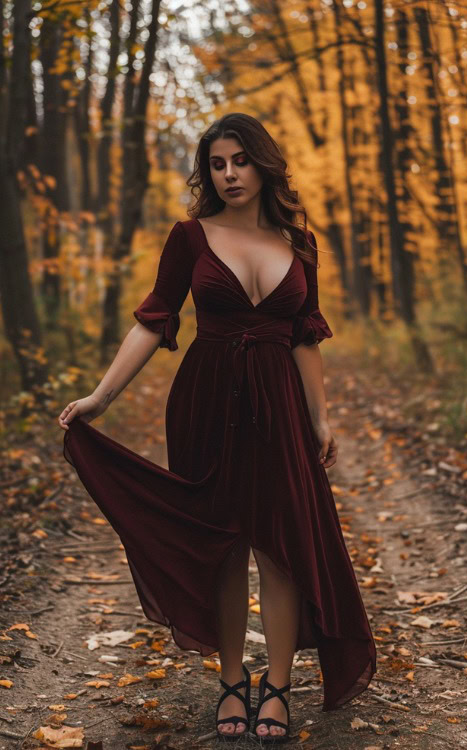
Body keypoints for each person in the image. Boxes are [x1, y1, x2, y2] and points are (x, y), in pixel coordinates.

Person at [58, 112, 376, 744]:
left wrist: (319, 418)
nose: (229, 174)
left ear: (263, 164)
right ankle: (234, 681)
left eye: (240, 161)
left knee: (280, 549)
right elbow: (153, 321)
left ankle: (277, 688)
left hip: (280, 404)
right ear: (208, 171)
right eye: (218, 164)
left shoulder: (300, 243)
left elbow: (304, 335)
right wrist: (100, 397)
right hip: (206, 400)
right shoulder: (190, 237)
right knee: (224, 544)